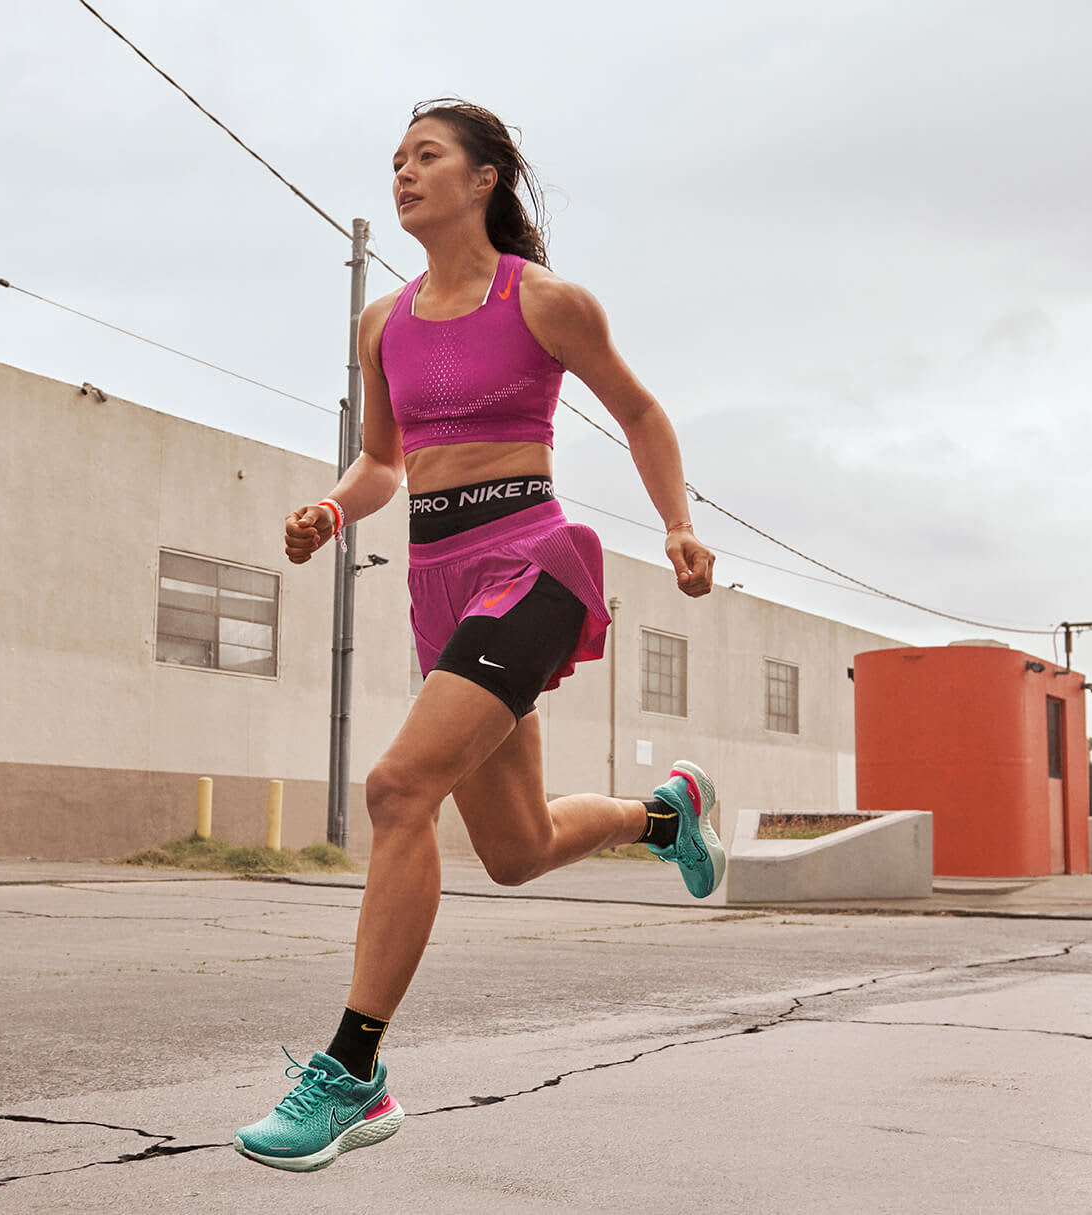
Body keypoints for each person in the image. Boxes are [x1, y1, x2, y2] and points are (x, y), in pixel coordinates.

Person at [231, 99, 721, 1173]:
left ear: (485, 177)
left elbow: (639, 413)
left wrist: (681, 527)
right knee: (515, 851)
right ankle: (664, 813)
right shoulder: (382, 323)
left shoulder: (543, 301)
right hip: (439, 582)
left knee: (398, 790)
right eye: (395, 160)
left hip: (532, 564)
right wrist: (330, 509)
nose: (402, 174)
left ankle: (353, 1074)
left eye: (426, 156)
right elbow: (382, 462)